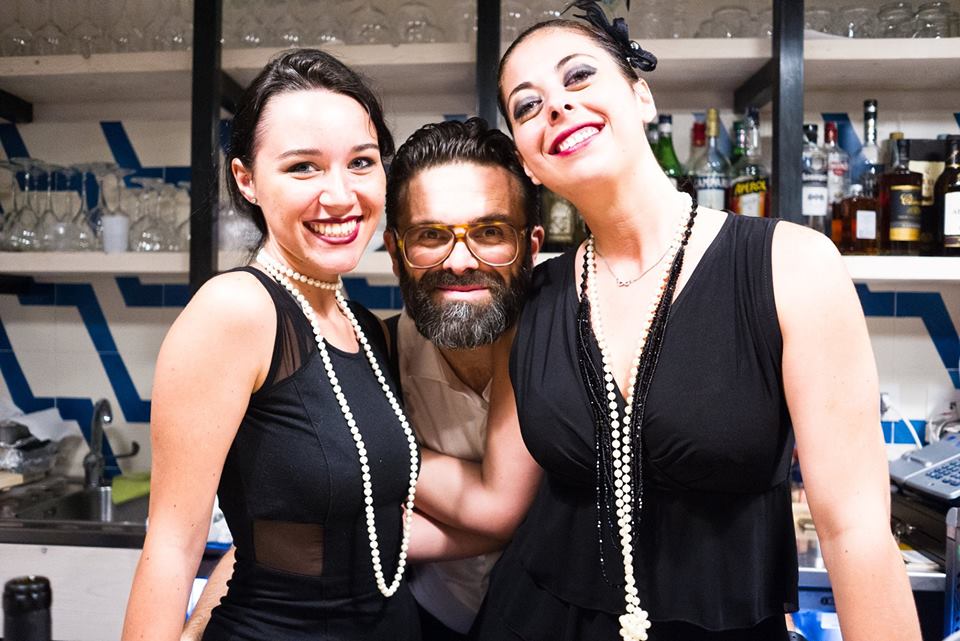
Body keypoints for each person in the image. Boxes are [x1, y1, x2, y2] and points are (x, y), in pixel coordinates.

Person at [413, 5, 924, 641]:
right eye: (527, 105)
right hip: (531, 619)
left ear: (641, 96)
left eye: (579, 77)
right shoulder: (533, 297)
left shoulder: (792, 266)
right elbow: (497, 501)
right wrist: (366, 453)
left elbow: (857, 531)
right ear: (529, 161)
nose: (557, 106)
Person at [122, 50, 494, 641]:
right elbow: (171, 546)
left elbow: (360, 527)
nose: (341, 195)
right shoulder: (236, 311)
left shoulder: (367, 328)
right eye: (303, 167)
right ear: (247, 179)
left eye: (361, 162)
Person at [179, 117, 544, 641]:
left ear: (531, 246)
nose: (461, 261)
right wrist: (195, 631)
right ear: (395, 254)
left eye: (490, 233)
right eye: (430, 236)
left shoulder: (571, 353)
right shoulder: (373, 355)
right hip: (421, 619)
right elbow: (296, 525)